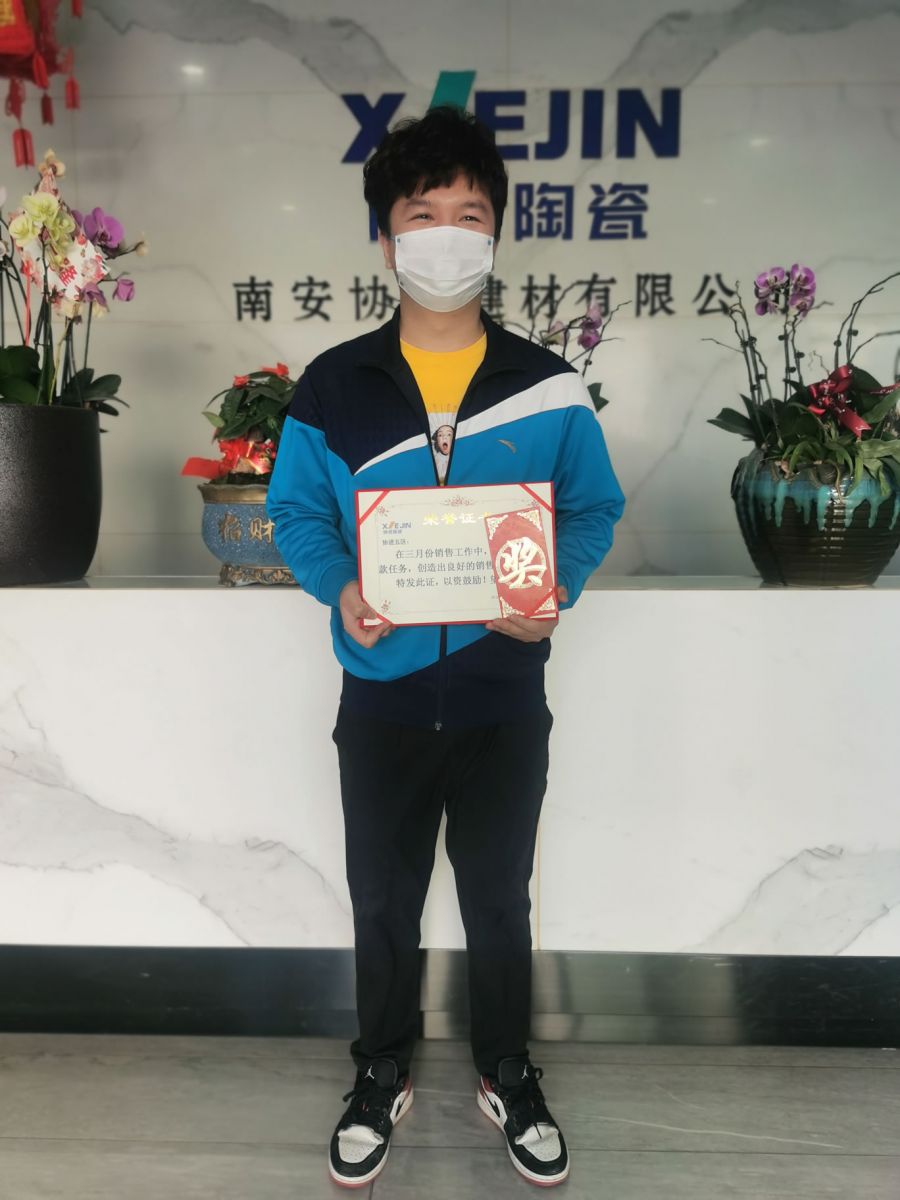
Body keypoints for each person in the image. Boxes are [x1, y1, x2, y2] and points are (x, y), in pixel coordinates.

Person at [266, 105, 625, 1189]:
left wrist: (554, 585)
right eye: (423, 215)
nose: (446, 237)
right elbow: (297, 512)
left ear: (496, 233)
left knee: (499, 899)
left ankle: (507, 1069)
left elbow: (593, 506)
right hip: (380, 696)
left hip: (502, 695)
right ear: (387, 238)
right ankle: (380, 1068)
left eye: (469, 215)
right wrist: (341, 588)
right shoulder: (335, 385)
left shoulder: (546, 384)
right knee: (382, 899)